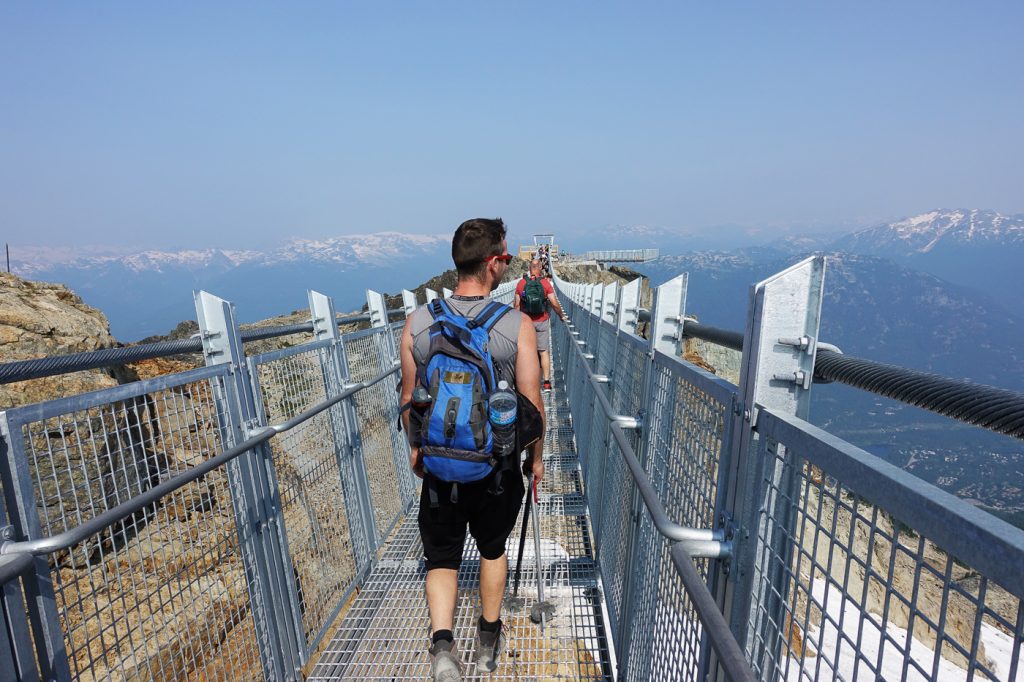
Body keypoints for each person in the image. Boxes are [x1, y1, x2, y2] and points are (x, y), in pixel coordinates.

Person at [400, 217, 545, 681]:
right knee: (492, 548)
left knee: (441, 557)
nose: (505, 264)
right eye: (504, 257)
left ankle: (443, 647)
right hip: (495, 468)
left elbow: (409, 400)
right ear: (491, 265)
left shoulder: (419, 322)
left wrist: (417, 451)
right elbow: (532, 405)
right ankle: (487, 641)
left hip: (440, 464)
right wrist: (535, 461)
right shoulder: (515, 324)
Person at [514, 258, 566, 391]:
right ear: (540, 268)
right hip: (542, 321)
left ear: (530, 268)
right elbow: (554, 303)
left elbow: (516, 305)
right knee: (543, 352)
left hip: (526, 322)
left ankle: (527, 382)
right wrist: (561, 316)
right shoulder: (545, 283)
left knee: (527, 352)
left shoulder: (521, 284)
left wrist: (516, 322)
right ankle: (547, 383)